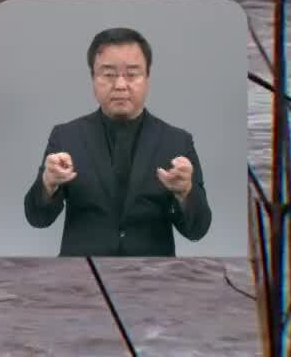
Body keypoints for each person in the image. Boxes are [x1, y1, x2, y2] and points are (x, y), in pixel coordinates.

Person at [22, 26, 213, 256]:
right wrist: (48, 184)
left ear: (148, 78)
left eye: (132, 74)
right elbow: (37, 219)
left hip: (152, 278)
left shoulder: (177, 142)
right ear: (93, 77)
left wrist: (185, 192)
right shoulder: (66, 137)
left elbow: (198, 230)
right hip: (81, 275)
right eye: (109, 75)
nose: (120, 85)